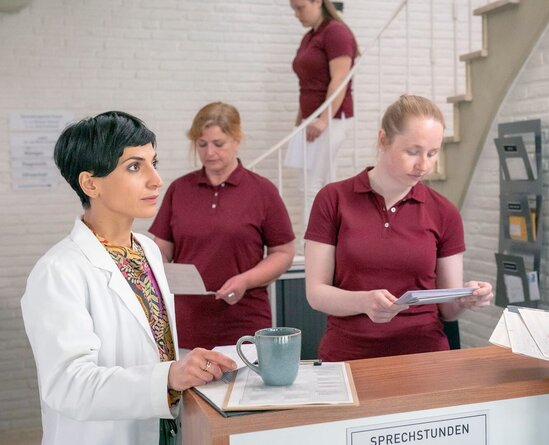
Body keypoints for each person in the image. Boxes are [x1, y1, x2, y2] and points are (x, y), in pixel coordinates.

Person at [21, 111, 237, 445]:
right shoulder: (57, 271)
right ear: (91, 183)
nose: (156, 179)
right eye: (135, 166)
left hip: (161, 431)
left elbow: (153, 349)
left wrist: (184, 368)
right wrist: (169, 375)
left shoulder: (147, 250)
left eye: (154, 162)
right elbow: (68, 385)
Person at [304, 94, 494, 361]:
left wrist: (465, 299)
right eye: (412, 152)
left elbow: (448, 310)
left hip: (425, 360)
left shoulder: (444, 212)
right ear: (383, 140)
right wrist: (363, 302)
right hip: (347, 357)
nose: (424, 165)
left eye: (432, 153)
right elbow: (316, 293)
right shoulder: (333, 199)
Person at [149, 102, 295, 350]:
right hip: (187, 322)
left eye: (219, 144)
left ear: (236, 140)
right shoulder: (179, 189)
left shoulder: (262, 191)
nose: (210, 152)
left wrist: (245, 280)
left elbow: (283, 253)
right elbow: (161, 248)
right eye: (202, 144)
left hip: (244, 322)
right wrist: (161, 267)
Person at [285, 0, 359, 190]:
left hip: (332, 120)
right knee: (322, 183)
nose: (296, 15)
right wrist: (299, 122)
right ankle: (332, 220)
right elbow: (307, 84)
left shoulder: (336, 32)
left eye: (300, 8)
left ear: (318, 2)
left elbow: (340, 80)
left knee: (312, 185)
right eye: (294, 9)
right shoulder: (310, 37)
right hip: (313, 121)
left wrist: (324, 120)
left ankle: (311, 221)